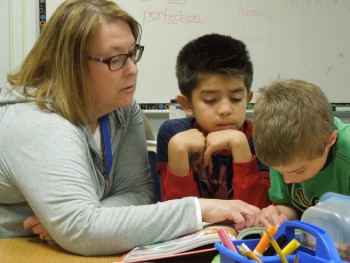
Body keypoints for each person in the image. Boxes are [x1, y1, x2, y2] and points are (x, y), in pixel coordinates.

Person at [0, 0, 267, 257]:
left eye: (132, 54)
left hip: (69, 249)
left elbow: (138, 193)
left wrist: (86, 223)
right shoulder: (38, 121)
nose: (133, 69)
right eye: (116, 59)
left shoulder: (121, 107)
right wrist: (201, 209)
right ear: (71, 65)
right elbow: (84, 230)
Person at [156, 33, 271, 209]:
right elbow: (174, 216)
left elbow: (257, 215)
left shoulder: (261, 137)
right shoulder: (173, 135)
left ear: (248, 99)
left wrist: (241, 146)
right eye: (210, 100)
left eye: (236, 98)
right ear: (187, 104)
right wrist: (177, 151)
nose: (225, 109)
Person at [252, 79, 350, 226]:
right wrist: (279, 213)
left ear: (331, 140)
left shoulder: (345, 155)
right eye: (279, 172)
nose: (287, 180)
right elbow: (291, 206)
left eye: (299, 171)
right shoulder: (284, 156)